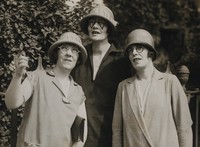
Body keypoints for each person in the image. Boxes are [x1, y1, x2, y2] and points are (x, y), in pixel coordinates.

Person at [112, 29, 193, 147]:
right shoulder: (123, 87)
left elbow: (184, 128)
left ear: (150, 52)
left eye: (139, 48)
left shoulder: (170, 82)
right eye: (130, 50)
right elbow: (117, 132)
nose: (134, 53)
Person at [5, 32, 88, 147]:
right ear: (56, 53)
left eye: (74, 50)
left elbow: (80, 136)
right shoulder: (36, 77)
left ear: (78, 57)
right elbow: (11, 103)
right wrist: (17, 76)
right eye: (64, 48)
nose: (69, 53)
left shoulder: (78, 91)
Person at [72, 5, 132, 147]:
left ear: (109, 28)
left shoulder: (121, 60)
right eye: (92, 22)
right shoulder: (79, 57)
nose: (95, 26)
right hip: (80, 138)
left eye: (101, 23)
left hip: (111, 138)